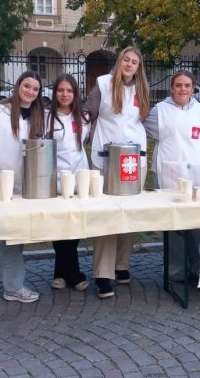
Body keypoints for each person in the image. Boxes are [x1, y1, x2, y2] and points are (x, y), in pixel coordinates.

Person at [84, 47, 150, 299]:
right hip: (107, 158)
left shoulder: (142, 89)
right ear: (120, 60)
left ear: (138, 67)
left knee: (129, 214)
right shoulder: (103, 83)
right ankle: (103, 273)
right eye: (126, 59)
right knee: (106, 215)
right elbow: (88, 113)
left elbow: (143, 120)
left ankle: (122, 265)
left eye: (135, 62)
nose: (130, 64)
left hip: (134, 159)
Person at [0, 71, 45, 303]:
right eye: (26, 86)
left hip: (23, 183)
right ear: (18, 86)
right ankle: (13, 286)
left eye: (35, 89)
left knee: (16, 235)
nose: (30, 91)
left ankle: (13, 282)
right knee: (9, 237)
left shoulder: (38, 115)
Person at [144, 71, 200, 281]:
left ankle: (199, 269)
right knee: (174, 223)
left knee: (198, 223)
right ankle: (176, 272)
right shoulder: (160, 110)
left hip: (196, 171)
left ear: (193, 88)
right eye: (179, 85)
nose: (183, 89)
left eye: (187, 85)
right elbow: (146, 130)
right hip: (170, 171)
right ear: (172, 87)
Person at [45, 74, 90, 292]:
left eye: (69, 91)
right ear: (55, 93)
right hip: (56, 177)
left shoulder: (84, 117)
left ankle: (60, 274)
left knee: (75, 224)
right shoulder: (46, 118)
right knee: (59, 225)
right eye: (61, 90)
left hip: (79, 176)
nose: (65, 95)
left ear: (75, 94)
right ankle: (73, 273)